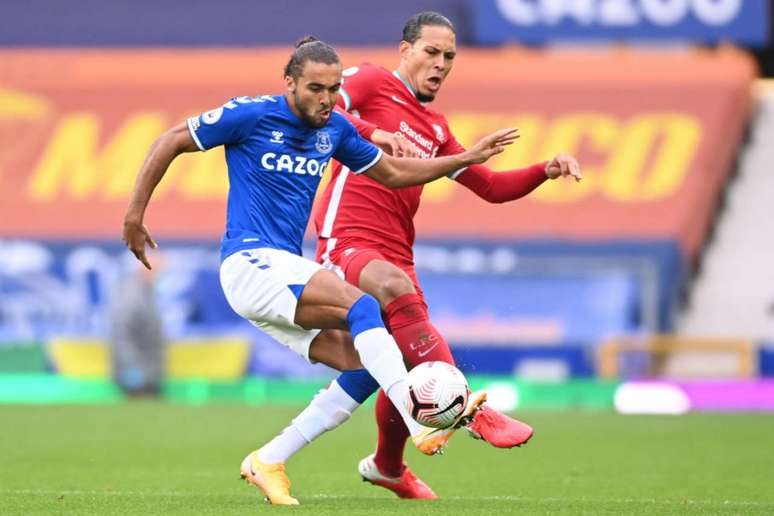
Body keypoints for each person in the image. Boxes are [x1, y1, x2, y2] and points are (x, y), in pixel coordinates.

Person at [121, 36, 517, 505]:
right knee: (365, 307)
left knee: (368, 359)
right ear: (289, 83)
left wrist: (464, 159)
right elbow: (172, 139)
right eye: (314, 88)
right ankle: (417, 419)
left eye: (332, 88)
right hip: (250, 261)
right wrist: (134, 216)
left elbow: (392, 174)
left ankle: (268, 459)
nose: (326, 99)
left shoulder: (335, 131)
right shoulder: (251, 114)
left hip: (280, 272)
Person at [254, 12, 584, 501]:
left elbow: (490, 187)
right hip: (347, 240)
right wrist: (371, 132)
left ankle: (386, 465)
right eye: (431, 52)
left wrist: (545, 169)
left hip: (396, 253)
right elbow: (317, 108)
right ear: (404, 50)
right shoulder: (369, 81)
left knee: (403, 365)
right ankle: (471, 409)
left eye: (449, 56)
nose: (440, 63)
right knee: (394, 295)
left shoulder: (435, 127)